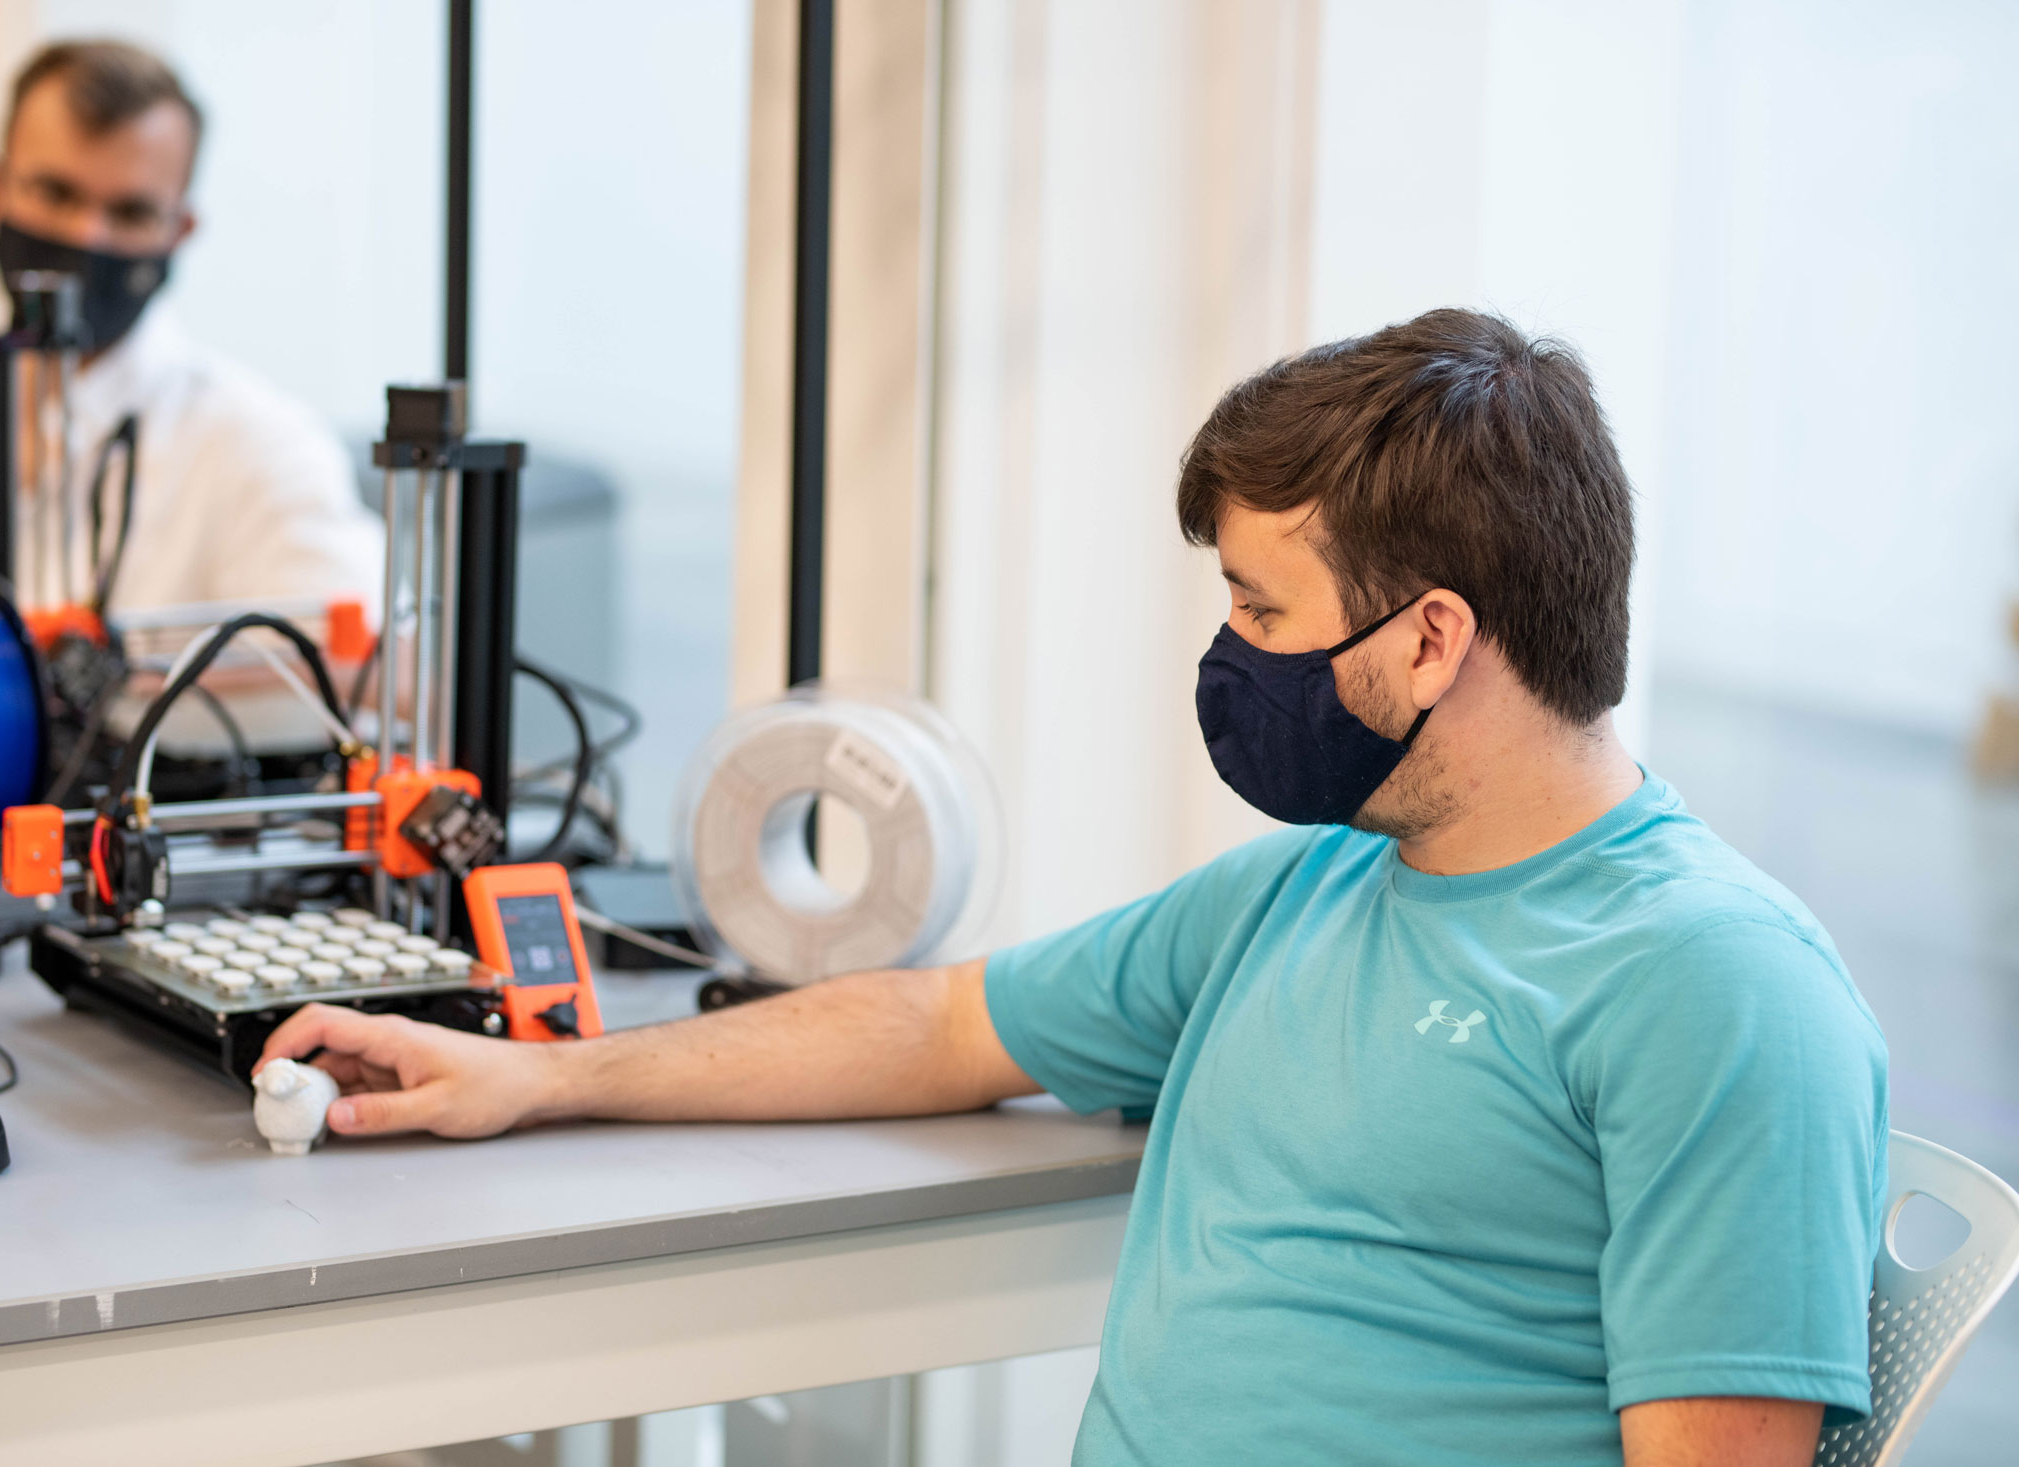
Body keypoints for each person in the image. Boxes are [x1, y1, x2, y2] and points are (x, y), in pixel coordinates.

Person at [260, 310, 1887, 1467]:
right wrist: (544, 1076)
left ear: (1432, 638)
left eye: (1260, 609)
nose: (1230, 655)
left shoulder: (1716, 989)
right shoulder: (1307, 890)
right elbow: (947, 1022)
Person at [0, 39, 382, 615]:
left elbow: (370, 672)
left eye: (130, 212)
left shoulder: (261, 450)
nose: (87, 237)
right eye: (55, 193)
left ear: (181, 229)